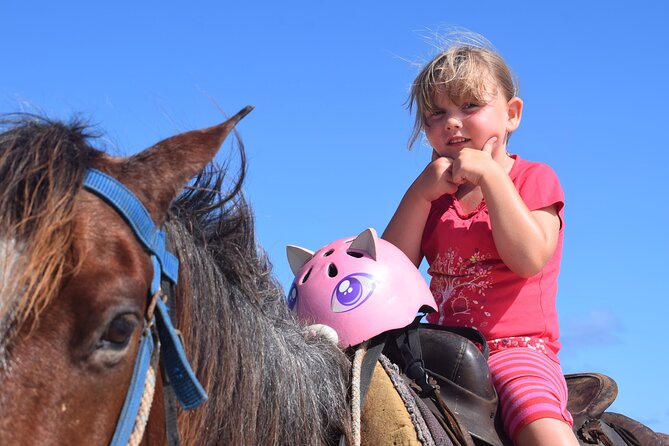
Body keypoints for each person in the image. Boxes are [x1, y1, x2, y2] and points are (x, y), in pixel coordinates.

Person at [382, 35, 579, 446]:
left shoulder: (533, 179)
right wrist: (419, 194)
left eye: (470, 106)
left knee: (536, 420)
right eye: (437, 113)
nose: (452, 121)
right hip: (434, 348)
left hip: (515, 351)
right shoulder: (433, 196)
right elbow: (390, 270)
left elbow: (528, 259)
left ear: (511, 115)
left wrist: (491, 176)